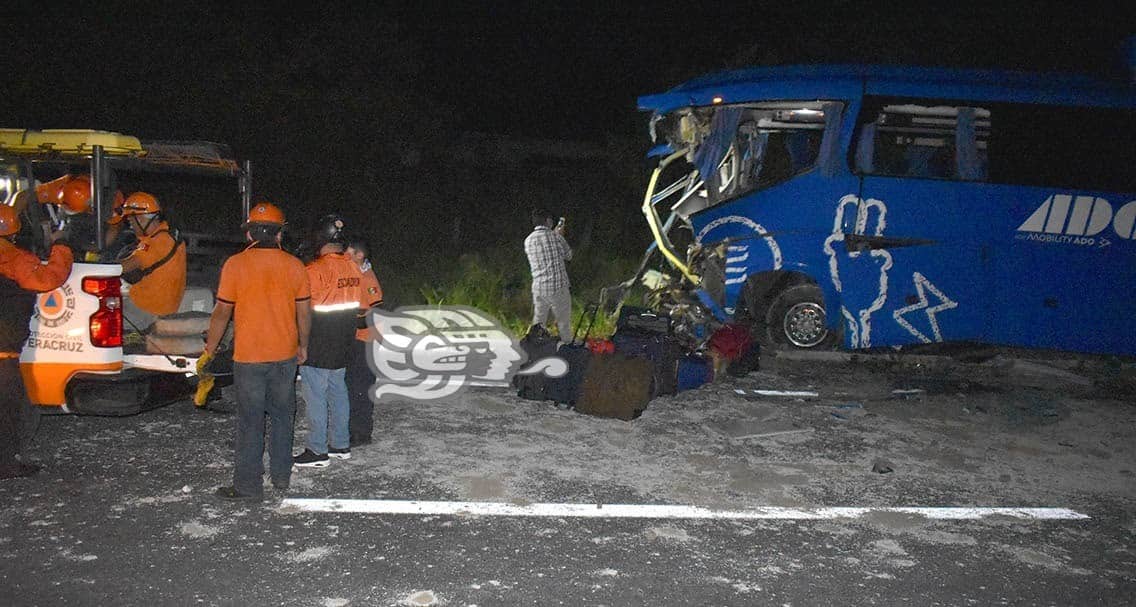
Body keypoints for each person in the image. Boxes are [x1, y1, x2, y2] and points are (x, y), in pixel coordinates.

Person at [202, 202, 311, 500]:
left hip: (248, 358)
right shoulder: (294, 266)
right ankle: (281, 477)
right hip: (284, 355)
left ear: (249, 235)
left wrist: (210, 349)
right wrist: (303, 345)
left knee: (250, 422)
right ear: (279, 235)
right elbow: (304, 312)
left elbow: (222, 312)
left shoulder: (235, 265)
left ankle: (248, 487)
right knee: (282, 417)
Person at [0, 204, 73, 480]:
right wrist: (61, 247)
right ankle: (6, 464)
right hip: (2, 353)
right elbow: (48, 279)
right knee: (7, 411)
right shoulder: (13, 258)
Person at [293, 214, 367, 468]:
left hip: (318, 340)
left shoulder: (313, 270)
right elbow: (361, 309)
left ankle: (316, 450)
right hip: (344, 340)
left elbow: (302, 309)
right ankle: (340, 444)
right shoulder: (354, 268)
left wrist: (299, 342)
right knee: (338, 391)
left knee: (315, 395)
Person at [118, 192, 187, 331]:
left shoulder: (157, 242)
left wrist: (100, 267)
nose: (130, 226)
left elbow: (127, 266)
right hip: (154, 305)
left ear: (142, 219)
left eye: (131, 221)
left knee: (96, 321)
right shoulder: (165, 234)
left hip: (147, 309)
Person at [344, 237, 383, 446]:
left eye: (349, 252)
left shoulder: (367, 278)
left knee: (360, 388)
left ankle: (360, 433)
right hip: (358, 338)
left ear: (359, 255)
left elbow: (372, 311)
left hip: (364, 340)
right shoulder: (356, 273)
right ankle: (357, 430)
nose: (345, 255)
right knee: (353, 387)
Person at [524, 208, 573, 342]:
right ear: (549, 221)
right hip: (558, 287)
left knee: (538, 321)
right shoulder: (556, 237)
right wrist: (560, 236)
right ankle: (567, 349)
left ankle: (533, 348)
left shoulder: (528, 240)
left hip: (539, 287)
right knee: (564, 324)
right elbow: (568, 256)